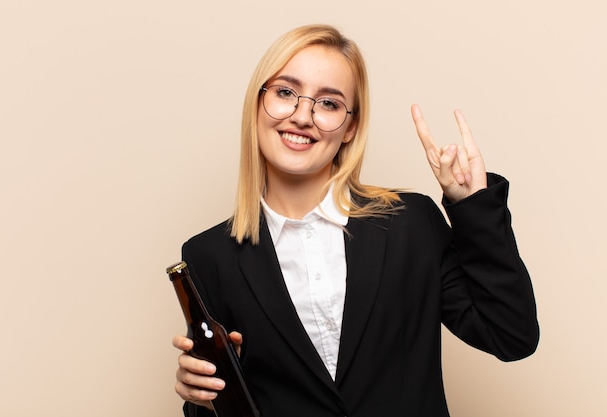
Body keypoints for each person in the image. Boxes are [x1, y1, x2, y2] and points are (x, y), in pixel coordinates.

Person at [171, 24, 539, 417]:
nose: (302, 116)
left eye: (328, 103)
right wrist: (199, 398)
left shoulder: (410, 223)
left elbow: (511, 336)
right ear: (257, 104)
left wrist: (473, 205)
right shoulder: (207, 256)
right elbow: (231, 406)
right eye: (284, 93)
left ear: (350, 128)